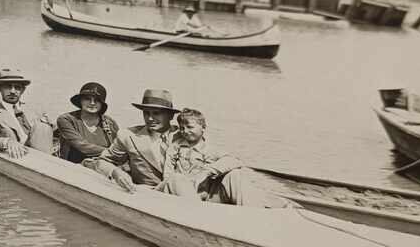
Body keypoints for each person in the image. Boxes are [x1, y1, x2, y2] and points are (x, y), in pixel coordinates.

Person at [156, 109, 291, 207]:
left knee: (235, 175)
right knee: (176, 178)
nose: (185, 131)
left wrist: (207, 172)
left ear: (203, 128)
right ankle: (198, 217)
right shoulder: (175, 147)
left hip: (206, 196)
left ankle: (252, 215)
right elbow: (168, 175)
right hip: (182, 195)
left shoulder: (210, 149)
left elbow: (235, 160)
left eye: (190, 127)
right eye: (182, 128)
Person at [83, 88, 181, 192]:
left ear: (170, 116)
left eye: (156, 113)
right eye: (146, 113)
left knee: (177, 179)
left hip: (183, 195)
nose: (150, 118)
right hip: (149, 195)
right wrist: (115, 172)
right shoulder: (128, 136)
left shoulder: (184, 136)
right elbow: (102, 161)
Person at [0, 68, 54, 158]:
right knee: (42, 127)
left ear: (23, 90)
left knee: (50, 125)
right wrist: (8, 142)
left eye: (17, 87)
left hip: (44, 152)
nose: (13, 91)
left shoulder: (35, 110)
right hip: (21, 155)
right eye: (8, 87)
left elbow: (51, 132)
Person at [56, 82, 120, 164]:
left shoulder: (110, 123)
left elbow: (118, 147)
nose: (92, 103)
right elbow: (82, 146)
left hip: (103, 168)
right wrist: (113, 153)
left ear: (102, 104)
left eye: (97, 100)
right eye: (87, 99)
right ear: (81, 101)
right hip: (72, 168)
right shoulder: (66, 119)